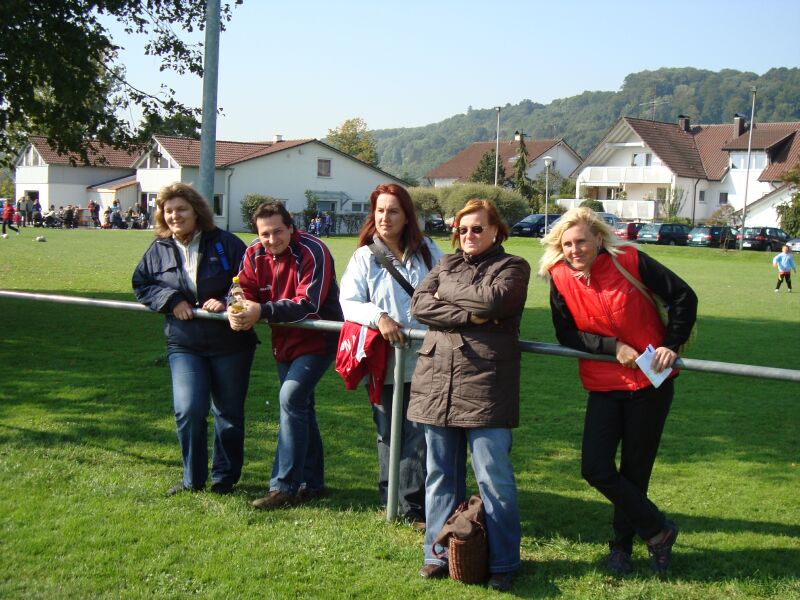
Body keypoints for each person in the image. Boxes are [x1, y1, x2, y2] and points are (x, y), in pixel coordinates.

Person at [538, 207, 697, 577]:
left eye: (581, 241)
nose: (575, 249)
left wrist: (671, 343)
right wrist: (613, 347)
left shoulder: (629, 259)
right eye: (567, 244)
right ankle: (659, 530)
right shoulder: (559, 277)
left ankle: (621, 549)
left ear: (597, 239)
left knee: (635, 472)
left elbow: (684, 297)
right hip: (604, 383)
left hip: (650, 383)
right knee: (596, 467)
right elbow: (566, 334)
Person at [409, 199, 530, 592]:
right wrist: (471, 314)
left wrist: (450, 295)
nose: (468, 236)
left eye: (477, 228)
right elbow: (418, 305)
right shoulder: (445, 263)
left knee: (493, 479)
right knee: (439, 475)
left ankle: (504, 561)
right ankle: (437, 554)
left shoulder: (514, 267)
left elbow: (494, 301)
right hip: (436, 382)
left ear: (497, 230)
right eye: (462, 229)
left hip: (485, 386)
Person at [132, 182, 258, 496]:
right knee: (188, 410)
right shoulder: (158, 249)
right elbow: (142, 284)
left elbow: (248, 281)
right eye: (169, 210)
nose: (175, 216)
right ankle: (193, 479)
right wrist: (171, 299)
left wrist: (226, 300)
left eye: (181, 209)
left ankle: (224, 480)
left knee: (228, 414)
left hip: (229, 343)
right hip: (184, 343)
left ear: (196, 210)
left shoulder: (225, 243)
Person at [339, 183, 443, 527]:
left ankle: (413, 506)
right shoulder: (365, 256)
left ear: (407, 215)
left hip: (425, 357)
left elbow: (446, 290)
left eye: (393, 211)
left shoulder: (428, 250)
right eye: (380, 210)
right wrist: (379, 317)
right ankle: (390, 497)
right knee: (387, 429)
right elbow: (349, 301)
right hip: (384, 359)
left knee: (416, 432)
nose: (385, 217)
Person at [228, 201, 343, 510]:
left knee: (290, 399)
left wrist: (260, 310)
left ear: (292, 228)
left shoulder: (313, 250)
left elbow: (309, 303)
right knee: (302, 407)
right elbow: (241, 287)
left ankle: (283, 487)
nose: (271, 239)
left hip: (319, 337)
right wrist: (236, 305)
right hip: (284, 340)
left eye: (278, 231)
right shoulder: (254, 252)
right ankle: (314, 482)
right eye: (264, 233)